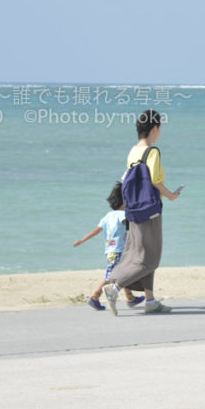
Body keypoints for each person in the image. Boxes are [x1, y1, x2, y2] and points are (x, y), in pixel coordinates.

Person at [103, 109, 180, 315]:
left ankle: (150, 300)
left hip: (133, 210)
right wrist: (171, 195)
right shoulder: (152, 151)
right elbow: (155, 180)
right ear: (155, 129)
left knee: (138, 253)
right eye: (160, 128)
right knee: (150, 259)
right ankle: (114, 287)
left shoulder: (133, 151)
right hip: (150, 210)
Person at [73, 182, 145, 311]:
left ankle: (130, 297)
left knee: (123, 274)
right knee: (112, 277)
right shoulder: (122, 215)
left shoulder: (107, 216)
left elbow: (95, 231)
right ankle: (95, 296)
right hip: (119, 251)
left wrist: (81, 241)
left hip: (110, 251)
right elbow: (131, 223)